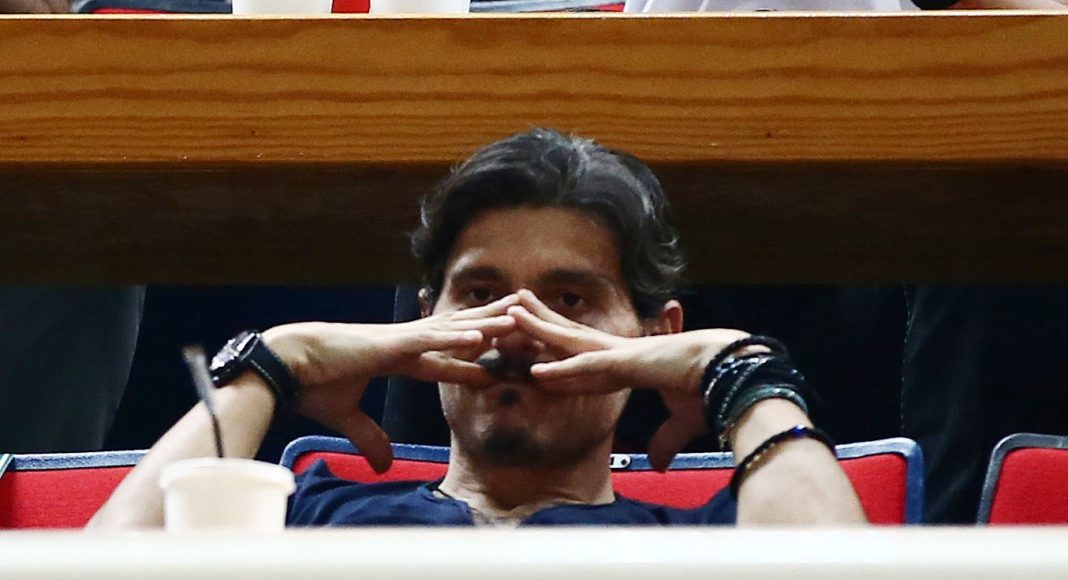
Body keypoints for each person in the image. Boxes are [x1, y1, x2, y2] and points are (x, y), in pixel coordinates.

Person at [89, 129, 865, 529]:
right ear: (426, 320)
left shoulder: (703, 541)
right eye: (482, 293)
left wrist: (737, 367)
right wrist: (277, 358)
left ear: (651, 337)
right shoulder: (311, 514)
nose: (518, 328)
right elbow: (109, 563)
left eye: (569, 300)